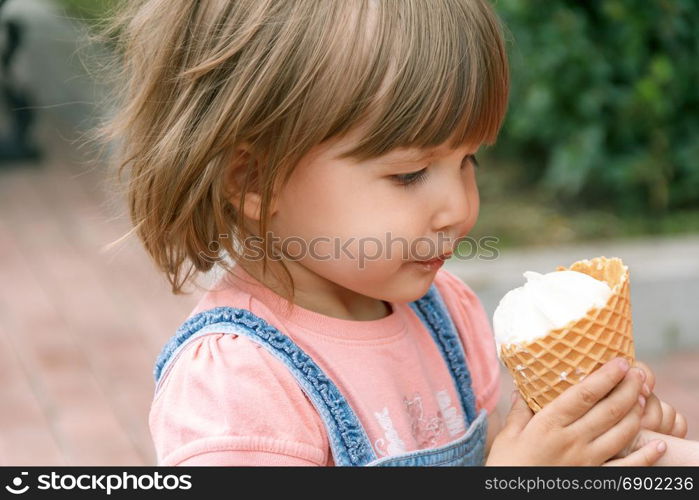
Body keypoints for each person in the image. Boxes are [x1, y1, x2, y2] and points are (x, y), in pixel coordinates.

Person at [100, 0, 687, 466]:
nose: (457, 206)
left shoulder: (448, 315)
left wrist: (592, 451)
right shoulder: (238, 391)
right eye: (409, 174)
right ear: (253, 177)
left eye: (469, 161)